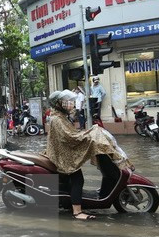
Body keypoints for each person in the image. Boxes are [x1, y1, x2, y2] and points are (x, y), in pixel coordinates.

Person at [43, 90, 133, 221]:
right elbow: (70, 137)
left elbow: (72, 133)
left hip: (63, 151)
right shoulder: (57, 119)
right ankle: (77, 212)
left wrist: (90, 132)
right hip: (63, 155)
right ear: (58, 104)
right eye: (65, 102)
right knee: (78, 179)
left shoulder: (60, 116)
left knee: (77, 178)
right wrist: (90, 135)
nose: (70, 104)